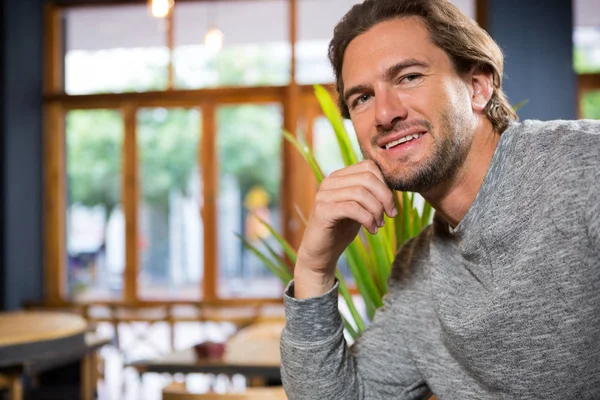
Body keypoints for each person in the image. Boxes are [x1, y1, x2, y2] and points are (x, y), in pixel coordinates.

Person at [279, 0, 600, 399]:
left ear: (478, 86)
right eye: (361, 98)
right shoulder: (419, 274)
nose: (384, 114)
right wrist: (313, 269)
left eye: (409, 77)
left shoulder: (588, 168)